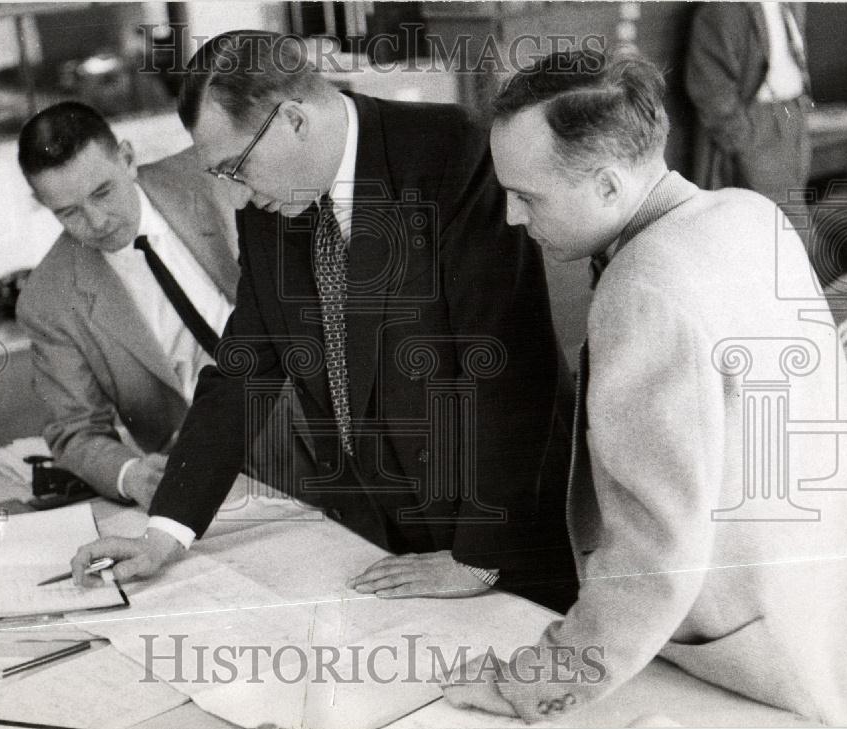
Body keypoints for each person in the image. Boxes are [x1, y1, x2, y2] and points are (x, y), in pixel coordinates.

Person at [72, 30, 576, 608]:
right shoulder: (272, 204)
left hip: (498, 529)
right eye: (220, 176)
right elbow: (244, 370)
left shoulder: (451, 154)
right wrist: (166, 532)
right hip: (378, 532)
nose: (234, 198)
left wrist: (482, 557)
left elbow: (509, 370)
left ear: (292, 120)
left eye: (236, 167)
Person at [443, 50, 847, 725]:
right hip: (819, 603)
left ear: (608, 185)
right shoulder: (748, 212)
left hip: (743, 658)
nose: (514, 217)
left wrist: (532, 682)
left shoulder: (646, 287)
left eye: (528, 195)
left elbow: (652, 550)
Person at [17, 101, 297, 510]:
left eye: (103, 192)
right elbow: (75, 431)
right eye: (69, 212)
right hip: (217, 471)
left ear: (127, 159)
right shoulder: (48, 301)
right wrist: (131, 476)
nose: (96, 222)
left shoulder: (217, 172)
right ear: (44, 204)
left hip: (321, 408)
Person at [685, 2, 812, 206]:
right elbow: (712, 93)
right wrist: (745, 142)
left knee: (788, 221)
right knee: (782, 226)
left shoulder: (788, 4)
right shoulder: (721, 9)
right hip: (759, 128)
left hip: (791, 119)